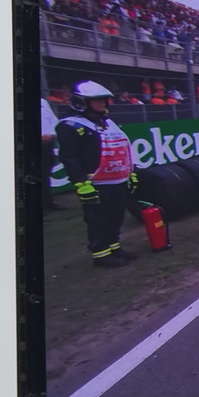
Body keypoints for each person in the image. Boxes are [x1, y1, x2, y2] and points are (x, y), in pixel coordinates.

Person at [55, 81, 138, 269]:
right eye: (97, 101)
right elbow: (70, 158)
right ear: (82, 102)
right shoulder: (70, 126)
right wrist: (81, 183)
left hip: (118, 179)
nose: (102, 104)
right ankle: (101, 254)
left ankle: (114, 247)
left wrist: (130, 173)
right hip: (96, 182)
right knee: (98, 218)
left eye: (103, 100)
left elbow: (124, 149)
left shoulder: (108, 122)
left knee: (116, 215)